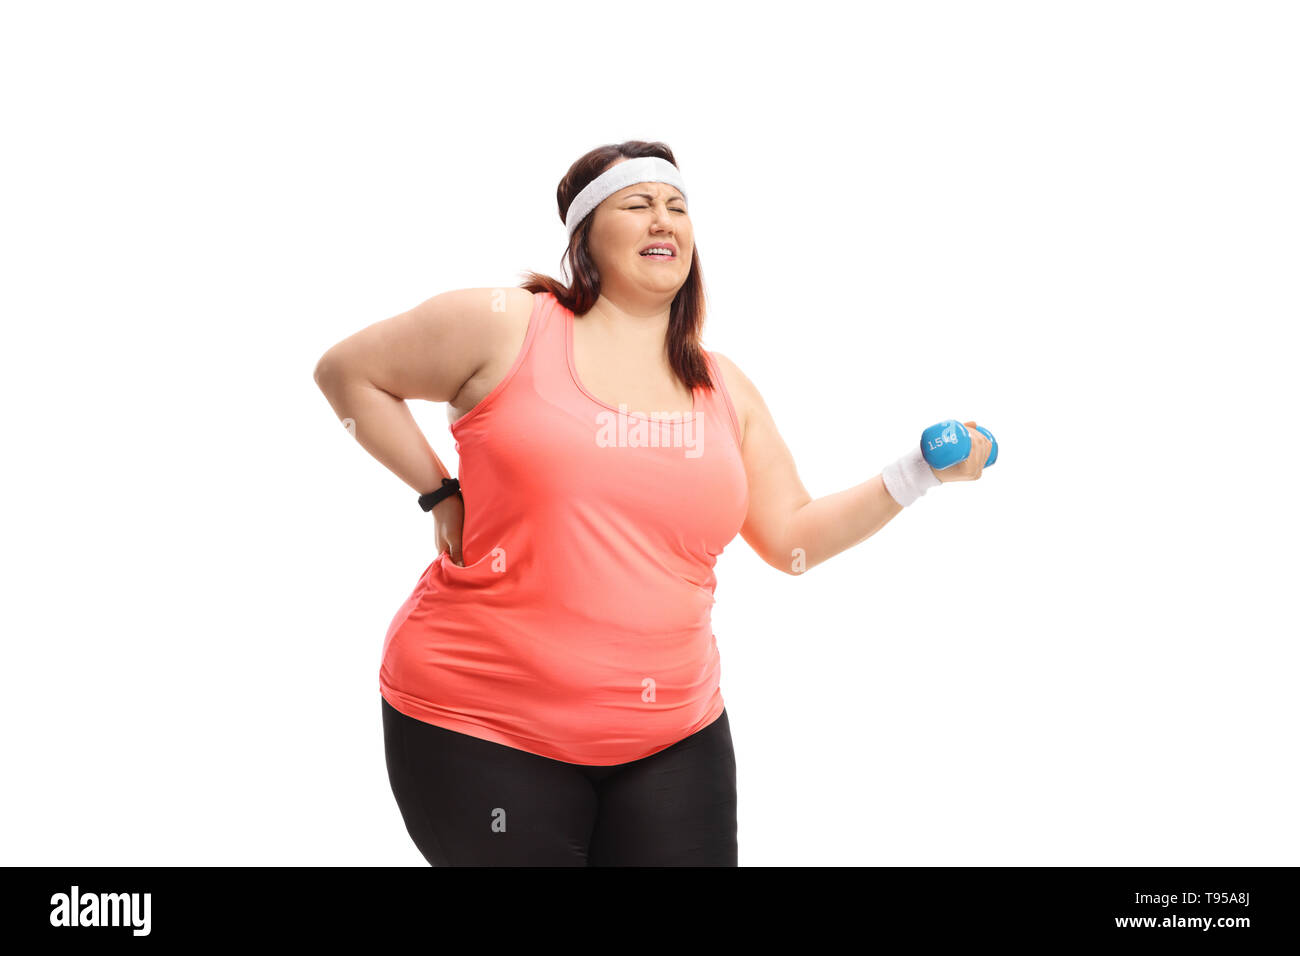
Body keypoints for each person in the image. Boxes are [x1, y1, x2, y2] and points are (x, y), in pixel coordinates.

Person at [312, 141, 992, 866]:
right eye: (636, 205)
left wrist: (917, 473)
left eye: (677, 207)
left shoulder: (721, 386)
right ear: (585, 239)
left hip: (673, 736)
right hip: (481, 724)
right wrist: (439, 490)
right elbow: (348, 373)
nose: (662, 221)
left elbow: (792, 539)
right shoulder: (506, 326)